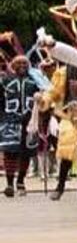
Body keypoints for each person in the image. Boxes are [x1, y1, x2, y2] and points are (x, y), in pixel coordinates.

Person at [0, 55, 33, 195]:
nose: (22, 66)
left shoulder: (35, 80)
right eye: (19, 63)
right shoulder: (5, 81)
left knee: (26, 152)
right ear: (13, 65)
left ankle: (20, 181)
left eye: (25, 63)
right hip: (9, 119)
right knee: (10, 151)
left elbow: (45, 96)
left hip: (30, 120)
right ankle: (9, 184)